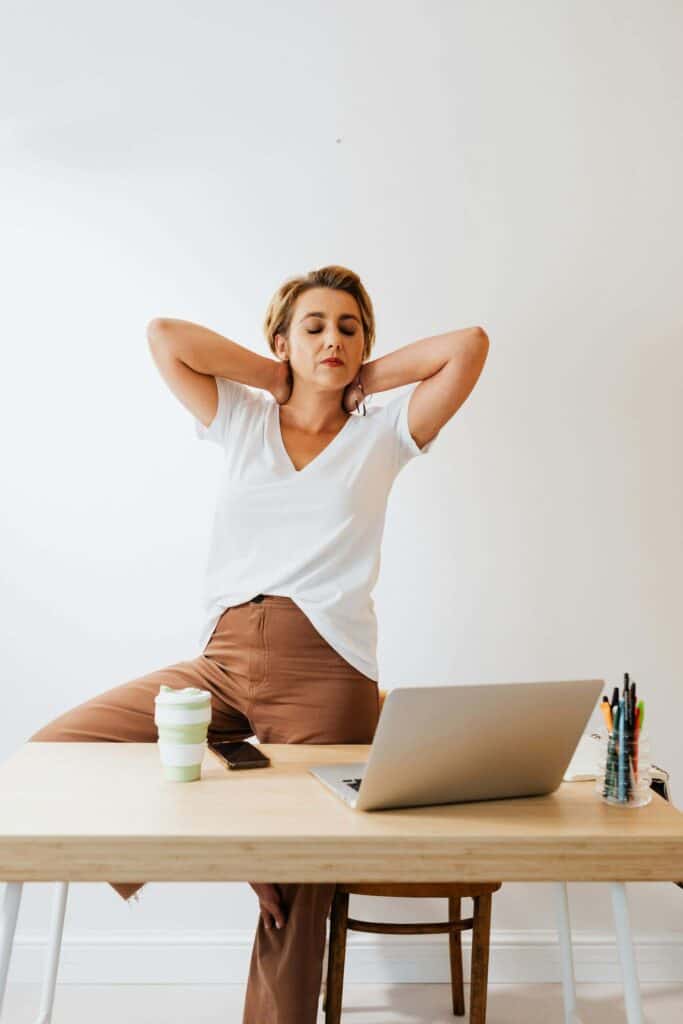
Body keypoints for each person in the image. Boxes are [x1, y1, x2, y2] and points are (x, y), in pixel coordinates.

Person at [28, 264, 489, 1024]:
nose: (332, 339)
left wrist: (354, 377)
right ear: (280, 338)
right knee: (59, 752)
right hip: (224, 659)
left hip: (329, 672)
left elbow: (467, 345)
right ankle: (247, 844)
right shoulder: (240, 417)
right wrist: (280, 375)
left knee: (297, 893)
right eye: (313, 327)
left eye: (348, 327)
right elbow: (165, 337)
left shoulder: (383, 434)